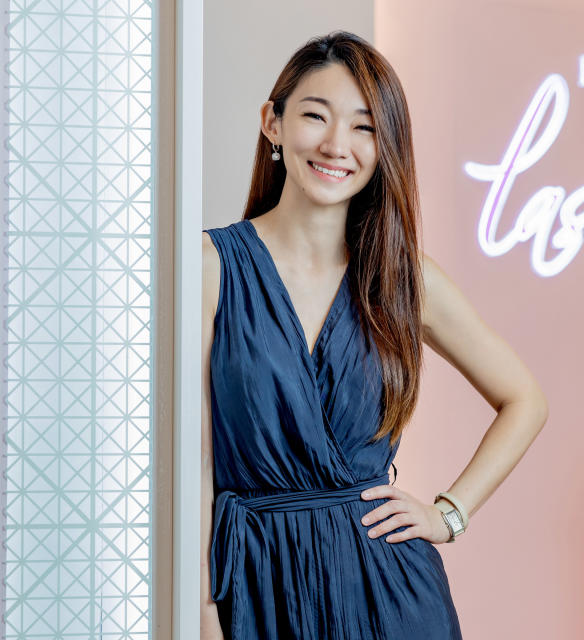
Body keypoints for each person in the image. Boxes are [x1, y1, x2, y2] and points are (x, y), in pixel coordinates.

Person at [199, 31, 549, 640]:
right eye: (315, 115)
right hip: (257, 587)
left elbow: (526, 400)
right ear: (273, 123)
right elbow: (193, 466)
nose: (337, 144)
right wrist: (204, 610)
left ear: (384, 146)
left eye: (364, 127)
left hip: (389, 592)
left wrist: (450, 514)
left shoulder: (403, 276)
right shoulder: (209, 267)